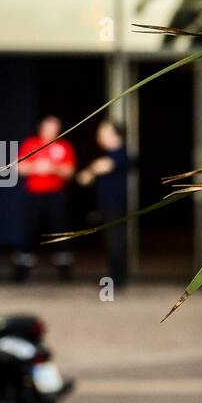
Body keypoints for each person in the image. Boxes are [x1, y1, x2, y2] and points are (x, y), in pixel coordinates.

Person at [14, 115, 77, 281]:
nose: (51, 131)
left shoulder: (64, 146)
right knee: (29, 230)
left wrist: (53, 168)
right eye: (48, 127)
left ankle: (64, 269)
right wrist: (36, 166)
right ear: (41, 128)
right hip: (33, 194)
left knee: (60, 229)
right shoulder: (31, 144)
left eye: (54, 127)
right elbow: (19, 168)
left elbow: (70, 172)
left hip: (55, 194)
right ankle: (22, 268)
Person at [77, 121, 129, 288]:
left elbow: (102, 167)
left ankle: (118, 277)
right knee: (111, 241)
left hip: (117, 205)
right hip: (107, 205)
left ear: (116, 135)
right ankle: (113, 275)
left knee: (116, 241)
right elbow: (84, 178)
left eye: (104, 133)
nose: (99, 137)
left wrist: (91, 170)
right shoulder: (107, 155)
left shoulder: (120, 153)